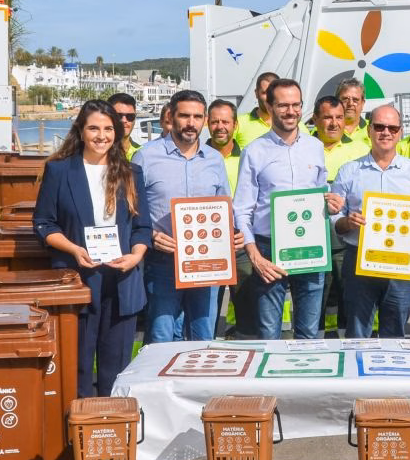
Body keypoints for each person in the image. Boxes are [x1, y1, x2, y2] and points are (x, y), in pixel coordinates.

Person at [33, 99, 147, 397]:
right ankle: (78, 423)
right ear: (81, 131)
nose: (101, 136)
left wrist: (135, 256)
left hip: (121, 282)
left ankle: (111, 422)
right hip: (78, 280)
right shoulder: (59, 171)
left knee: (116, 372)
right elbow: (44, 223)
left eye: (108, 129)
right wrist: (73, 249)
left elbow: (142, 227)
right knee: (78, 369)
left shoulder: (131, 173)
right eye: (94, 128)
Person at [234, 78, 345, 339]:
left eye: (296, 105)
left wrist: (331, 204)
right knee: (269, 334)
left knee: (309, 333)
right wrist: (255, 256)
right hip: (268, 248)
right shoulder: (254, 151)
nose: (291, 111)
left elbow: (321, 192)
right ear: (269, 106)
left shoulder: (315, 147)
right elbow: (242, 209)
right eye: (283, 105)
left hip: (312, 246)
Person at [134, 89, 235, 343]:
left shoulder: (214, 159)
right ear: (171, 116)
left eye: (197, 117)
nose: (191, 123)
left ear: (204, 120)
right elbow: (130, 211)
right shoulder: (145, 156)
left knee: (204, 335)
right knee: (161, 335)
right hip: (163, 260)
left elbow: (224, 208)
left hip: (207, 262)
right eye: (185, 116)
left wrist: (232, 234)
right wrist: (151, 235)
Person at [331, 104, 410, 337]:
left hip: (400, 262)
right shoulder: (349, 171)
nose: (386, 132)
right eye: (379, 127)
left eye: (392, 128)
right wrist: (347, 222)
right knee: (357, 331)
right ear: (369, 130)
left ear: (400, 132)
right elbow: (335, 216)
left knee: (395, 330)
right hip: (359, 259)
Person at [311, 94, 369, 335]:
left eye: (339, 117)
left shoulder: (361, 150)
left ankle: (347, 343)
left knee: (348, 296)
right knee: (315, 299)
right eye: (327, 118)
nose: (334, 123)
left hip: (347, 240)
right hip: (310, 239)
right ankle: (316, 345)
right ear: (315, 119)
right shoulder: (304, 148)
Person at [206, 98, 250, 336]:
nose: (220, 127)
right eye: (215, 122)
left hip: (241, 243)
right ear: (207, 124)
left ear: (235, 125)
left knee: (246, 308)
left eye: (225, 122)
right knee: (206, 311)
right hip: (208, 244)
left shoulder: (248, 157)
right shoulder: (197, 157)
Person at [235, 70, 278, 149]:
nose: (269, 98)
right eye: (265, 93)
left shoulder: (294, 125)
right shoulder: (238, 123)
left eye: (273, 93)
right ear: (256, 93)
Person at [336, 77, 372, 149]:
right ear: (336, 102)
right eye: (345, 99)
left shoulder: (374, 129)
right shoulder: (323, 130)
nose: (350, 104)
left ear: (362, 103)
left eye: (355, 100)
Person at [108, 92, 141, 160]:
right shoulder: (98, 152)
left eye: (130, 116)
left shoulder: (142, 152)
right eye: (118, 116)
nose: (124, 120)